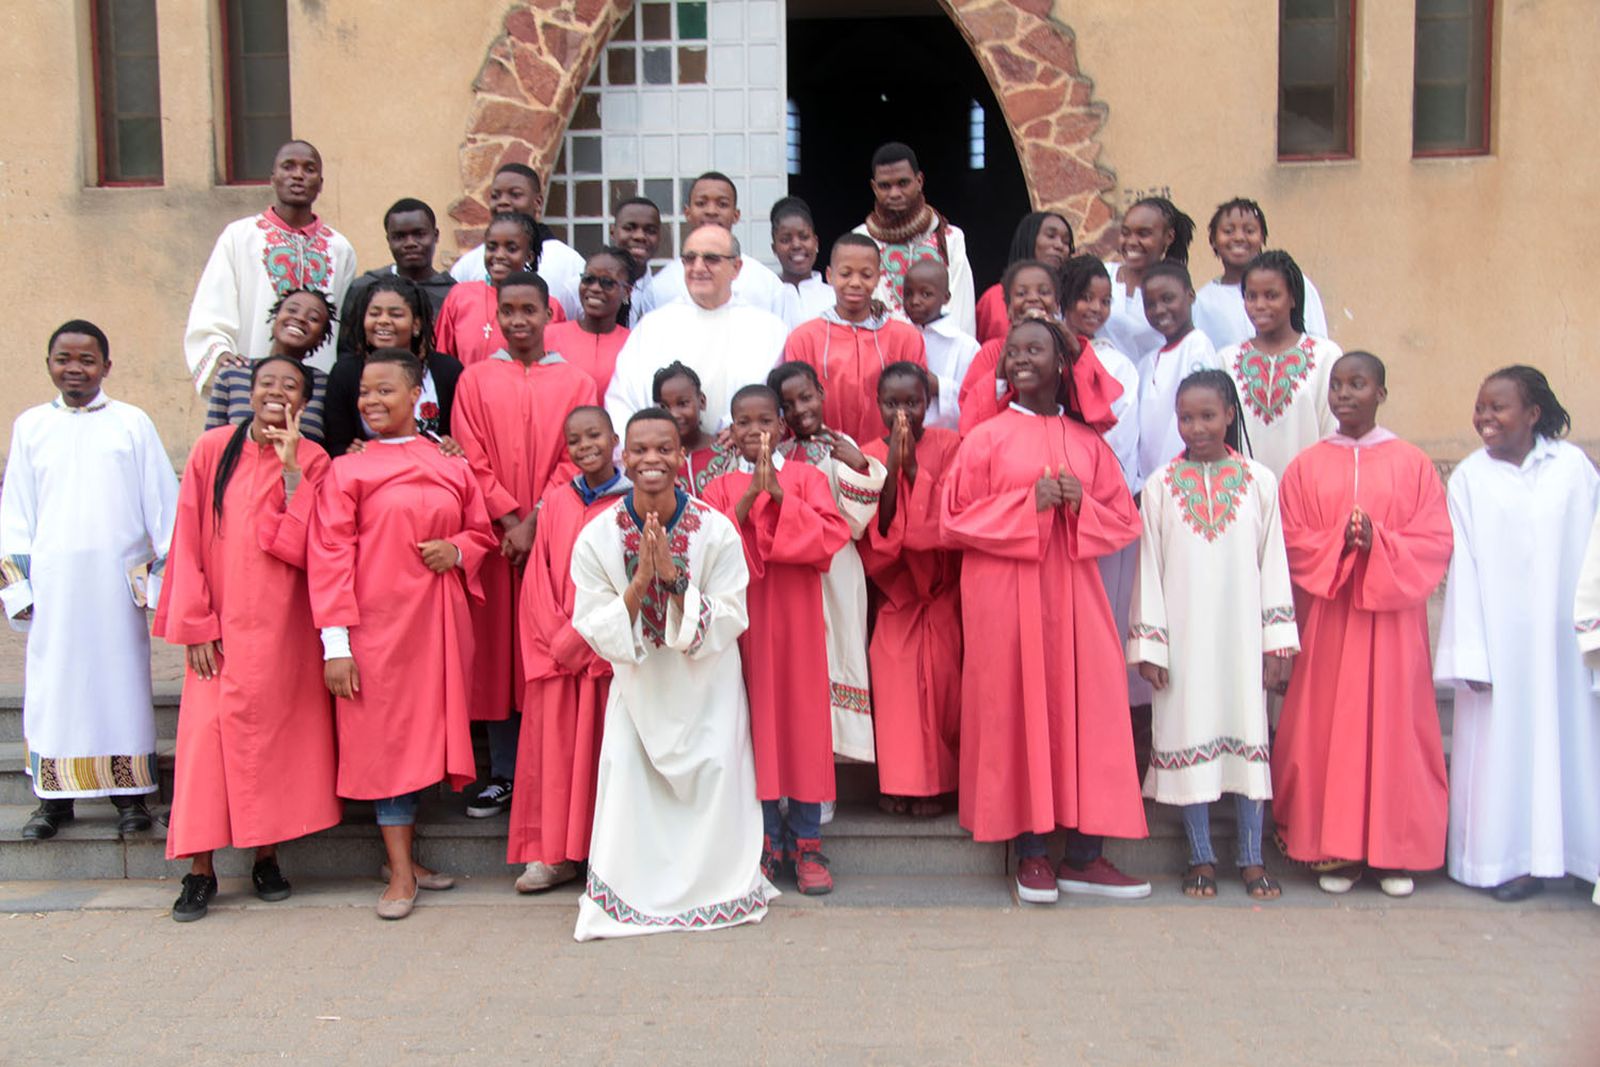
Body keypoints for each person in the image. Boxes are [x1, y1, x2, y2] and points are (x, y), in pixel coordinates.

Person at [940, 317, 1150, 904]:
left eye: (1035, 350)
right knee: (1019, 710)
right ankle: (1031, 852)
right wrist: (1025, 504)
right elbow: (951, 521)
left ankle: (1085, 855)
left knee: (1089, 711)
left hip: (1076, 598)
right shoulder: (983, 438)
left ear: (1061, 365)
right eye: (1013, 352)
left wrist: (1081, 506)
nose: (1020, 360)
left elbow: (1124, 522)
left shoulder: (1089, 443)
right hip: (1005, 596)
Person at [308, 349, 499, 919]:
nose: (372, 401)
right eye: (365, 391)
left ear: (417, 392)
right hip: (376, 629)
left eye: (385, 390)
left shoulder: (449, 460)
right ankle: (397, 873)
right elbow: (329, 556)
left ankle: (406, 861)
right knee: (386, 743)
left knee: (421, 738)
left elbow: (480, 529)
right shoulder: (348, 469)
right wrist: (336, 644)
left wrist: (458, 549)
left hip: (437, 627)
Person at [570, 407, 773, 940]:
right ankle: (630, 896)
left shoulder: (716, 529)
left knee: (716, 776)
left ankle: (715, 890)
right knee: (629, 778)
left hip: (707, 688)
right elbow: (593, 623)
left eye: (664, 448)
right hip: (639, 690)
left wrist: (675, 580)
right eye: (639, 450)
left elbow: (731, 616)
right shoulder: (596, 537)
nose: (651, 459)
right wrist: (639, 583)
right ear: (624, 456)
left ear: (683, 457)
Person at [154, 356, 339, 921]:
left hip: (285, 632)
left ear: (304, 400)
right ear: (248, 392)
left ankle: (266, 858)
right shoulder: (214, 449)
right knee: (205, 750)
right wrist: (194, 624)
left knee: (276, 746)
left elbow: (300, 548)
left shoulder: (314, 460)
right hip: (221, 628)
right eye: (266, 383)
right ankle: (200, 870)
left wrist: (290, 474)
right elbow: (186, 537)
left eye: (290, 385)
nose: (276, 393)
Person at [1272, 351, 1452, 898]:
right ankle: (1338, 850)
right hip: (1328, 618)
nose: (1346, 394)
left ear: (1381, 392)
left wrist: (1380, 543)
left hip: (1392, 625)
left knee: (1393, 729)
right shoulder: (1306, 465)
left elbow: (1433, 541)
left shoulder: (1412, 463)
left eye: (1359, 384)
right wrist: (1339, 546)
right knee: (1329, 730)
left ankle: (1393, 852)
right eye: (1338, 385)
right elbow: (1292, 538)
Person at [1, 321, 179, 840]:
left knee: (118, 686)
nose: (74, 368)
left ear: (106, 365)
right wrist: (21, 588)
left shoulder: (131, 423)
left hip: (114, 587)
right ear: (49, 362)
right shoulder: (31, 426)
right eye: (64, 358)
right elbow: (16, 512)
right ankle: (55, 802)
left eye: (86, 359)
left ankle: (130, 798)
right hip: (55, 587)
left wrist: (162, 585)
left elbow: (163, 509)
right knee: (55, 690)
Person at [1128, 370, 1297, 901]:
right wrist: (1150, 646)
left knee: (1248, 737)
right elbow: (1148, 569)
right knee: (1185, 738)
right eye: (1185, 418)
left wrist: (1277, 645)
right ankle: (1199, 857)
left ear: (1229, 414)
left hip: (1243, 641)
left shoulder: (1260, 482)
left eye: (1207, 416)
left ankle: (1250, 857)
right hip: (1182, 644)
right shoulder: (1158, 487)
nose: (1196, 427)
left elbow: (1274, 563)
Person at [1436, 367, 1600, 901]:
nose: (1484, 417)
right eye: (1480, 407)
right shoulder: (1468, 479)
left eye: (1498, 407)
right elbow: (1461, 573)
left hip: (1563, 645)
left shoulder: (1574, 469)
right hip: (1500, 648)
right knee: (1505, 752)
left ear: (1533, 414)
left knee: (1572, 744)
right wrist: (1471, 655)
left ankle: (1578, 855)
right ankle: (1509, 861)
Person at [451, 272, 599, 819]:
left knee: (546, 645)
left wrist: (536, 521)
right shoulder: (474, 381)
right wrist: (511, 520)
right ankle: (505, 773)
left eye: (528, 310)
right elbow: (471, 455)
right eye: (508, 310)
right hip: (495, 539)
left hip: (555, 534)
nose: (518, 320)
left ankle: (552, 770)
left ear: (548, 314)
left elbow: (579, 452)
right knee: (497, 656)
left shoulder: (578, 382)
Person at [702, 386, 850, 895]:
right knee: (754, 727)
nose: (754, 431)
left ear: (783, 427)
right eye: (743, 422)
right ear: (730, 431)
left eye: (764, 420)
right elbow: (709, 550)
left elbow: (831, 537)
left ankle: (807, 841)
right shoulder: (720, 487)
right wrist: (749, 499)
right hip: (745, 625)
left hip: (799, 619)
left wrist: (782, 497)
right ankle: (765, 841)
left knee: (802, 727)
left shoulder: (807, 478)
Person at [507, 406, 632, 894]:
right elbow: (538, 576)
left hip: (605, 656)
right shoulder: (557, 502)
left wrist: (593, 641)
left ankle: (608, 856)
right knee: (554, 758)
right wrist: (561, 641)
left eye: (594, 436)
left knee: (609, 757)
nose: (585, 447)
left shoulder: (633, 502)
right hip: (559, 656)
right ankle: (553, 855)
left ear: (614, 438)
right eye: (575, 440)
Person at [857, 363, 962, 818]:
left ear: (928, 403)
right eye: (892, 403)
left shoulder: (953, 446)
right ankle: (898, 785)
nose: (903, 413)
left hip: (942, 591)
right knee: (894, 684)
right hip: (895, 593)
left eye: (913, 402)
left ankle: (941, 786)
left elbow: (951, 517)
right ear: (877, 404)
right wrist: (891, 472)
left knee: (944, 690)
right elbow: (873, 532)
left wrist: (915, 470)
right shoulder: (865, 455)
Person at [769, 362, 886, 765]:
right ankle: (799, 763)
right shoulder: (775, 454)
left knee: (839, 651)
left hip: (836, 567)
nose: (800, 409)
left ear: (822, 392)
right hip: (790, 572)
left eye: (806, 397)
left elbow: (856, 522)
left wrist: (857, 464)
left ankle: (830, 768)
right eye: (788, 404)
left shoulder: (842, 445)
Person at [184, 140, 357, 389]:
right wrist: (221, 356)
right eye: (288, 167)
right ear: (273, 178)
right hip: (249, 384)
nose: (298, 175)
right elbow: (211, 309)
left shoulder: (340, 249)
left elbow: (341, 327)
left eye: (309, 169)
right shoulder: (240, 237)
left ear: (320, 184)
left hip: (317, 390)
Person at [605, 224, 788, 432]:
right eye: (690, 259)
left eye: (711, 258)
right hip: (665, 457)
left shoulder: (767, 330)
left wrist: (739, 428)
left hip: (742, 458)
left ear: (736, 268)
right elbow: (623, 399)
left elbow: (776, 402)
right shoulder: (654, 327)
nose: (698, 267)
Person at [782, 233, 928, 446]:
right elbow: (792, 410)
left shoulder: (906, 338)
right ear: (830, 276)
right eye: (845, 274)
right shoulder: (803, 339)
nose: (855, 283)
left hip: (889, 459)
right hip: (822, 458)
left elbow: (917, 406)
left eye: (866, 275)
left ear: (879, 277)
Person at [1219, 251, 1340, 479]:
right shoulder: (1227, 360)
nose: (1259, 305)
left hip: (1308, 493)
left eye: (1271, 295)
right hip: (1248, 498)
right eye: (1251, 296)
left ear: (1293, 298)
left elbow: (1333, 433)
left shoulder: (1326, 356)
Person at [321, 275, 464, 457]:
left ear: (416, 325)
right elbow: (337, 444)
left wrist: (453, 445)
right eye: (374, 313)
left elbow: (460, 436)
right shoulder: (345, 372)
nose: (383, 320)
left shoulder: (447, 370)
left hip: (432, 474)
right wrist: (350, 451)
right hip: (371, 476)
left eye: (395, 314)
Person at [854, 142, 976, 335]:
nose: (894, 193)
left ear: (919, 181)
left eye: (903, 183)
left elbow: (962, 312)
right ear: (874, 187)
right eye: (885, 186)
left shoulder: (950, 238)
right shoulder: (861, 241)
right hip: (883, 356)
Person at [630, 173, 787, 320]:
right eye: (701, 203)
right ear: (688, 212)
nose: (711, 211)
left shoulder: (767, 284)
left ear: (736, 215)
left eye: (722, 204)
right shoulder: (660, 288)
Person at [450, 163, 586, 318]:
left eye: (515, 195)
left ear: (538, 202)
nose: (503, 202)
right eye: (495, 196)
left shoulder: (568, 262)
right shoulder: (468, 265)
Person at [1194, 198, 1329, 350]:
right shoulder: (1202, 301)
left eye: (1249, 231)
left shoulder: (1293, 282)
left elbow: (1317, 342)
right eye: (1228, 231)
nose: (1239, 238)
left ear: (1263, 238)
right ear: (1213, 240)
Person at [434, 211, 564, 367]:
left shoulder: (548, 305)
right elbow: (441, 360)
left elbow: (554, 366)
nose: (499, 255)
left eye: (511, 248)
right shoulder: (459, 296)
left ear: (529, 256)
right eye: (492, 247)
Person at [205, 288, 334, 443]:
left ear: (320, 338)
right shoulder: (232, 372)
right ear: (275, 318)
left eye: (313, 318)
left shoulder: (327, 385)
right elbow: (210, 444)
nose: (300, 318)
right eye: (292, 310)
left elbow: (333, 449)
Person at [1135, 262, 1221, 490]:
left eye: (1167, 299)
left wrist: (1171, 477)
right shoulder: (1146, 364)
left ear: (1190, 296)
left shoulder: (1197, 347)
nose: (1159, 309)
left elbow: (1194, 418)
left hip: (1183, 482)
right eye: (1150, 304)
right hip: (1150, 487)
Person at [336, 198, 456, 360]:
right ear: (389, 240)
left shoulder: (454, 295)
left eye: (419, 234)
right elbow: (347, 352)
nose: (410, 243)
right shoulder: (364, 288)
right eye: (399, 237)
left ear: (435, 236)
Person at [1101, 196, 1194, 362]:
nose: (1131, 242)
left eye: (1144, 234)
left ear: (1169, 237)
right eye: (1125, 233)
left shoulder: (1176, 291)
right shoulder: (1101, 276)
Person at [544, 247, 638, 395]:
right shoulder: (547, 337)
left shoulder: (636, 345)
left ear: (627, 291)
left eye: (607, 282)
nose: (594, 288)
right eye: (588, 279)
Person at [901, 259, 980, 433]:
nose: (915, 301)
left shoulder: (965, 346)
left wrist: (939, 386)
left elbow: (975, 400)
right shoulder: (897, 335)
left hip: (947, 437)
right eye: (908, 294)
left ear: (945, 297)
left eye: (926, 294)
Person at [975, 211, 1075, 345]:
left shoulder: (1072, 302)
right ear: (1029, 238)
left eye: (1066, 242)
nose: (1059, 245)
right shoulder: (994, 298)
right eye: (1051, 236)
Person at [653, 361, 731, 497]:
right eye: (665, 407)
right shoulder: (656, 462)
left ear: (701, 401)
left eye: (682, 403)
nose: (674, 414)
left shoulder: (728, 449)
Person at [770, 196, 833, 329]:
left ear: (816, 242)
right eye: (785, 240)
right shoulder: (767, 297)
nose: (796, 245)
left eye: (804, 237)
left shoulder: (835, 297)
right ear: (774, 249)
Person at [611, 197, 662, 326]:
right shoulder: (583, 288)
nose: (640, 236)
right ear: (613, 232)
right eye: (629, 228)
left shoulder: (665, 292)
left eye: (650, 231)